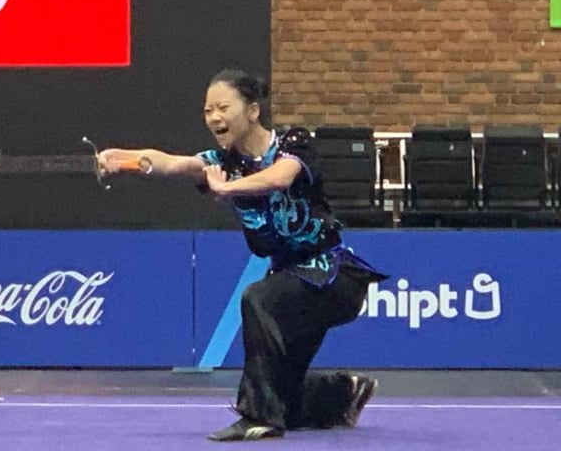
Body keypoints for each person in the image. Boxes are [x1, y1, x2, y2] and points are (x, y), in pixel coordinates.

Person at [98, 69, 388, 442]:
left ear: (252, 111)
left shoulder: (293, 144)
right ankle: (343, 393)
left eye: (223, 108)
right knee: (283, 394)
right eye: (208, 110)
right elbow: (172, 163)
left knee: (257, 298)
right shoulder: (221, 162)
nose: (214, 117)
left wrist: (228, 188)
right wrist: (124, 158)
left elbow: (279, 178)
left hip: (331, 277)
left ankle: (257, 418)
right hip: (289, 282)